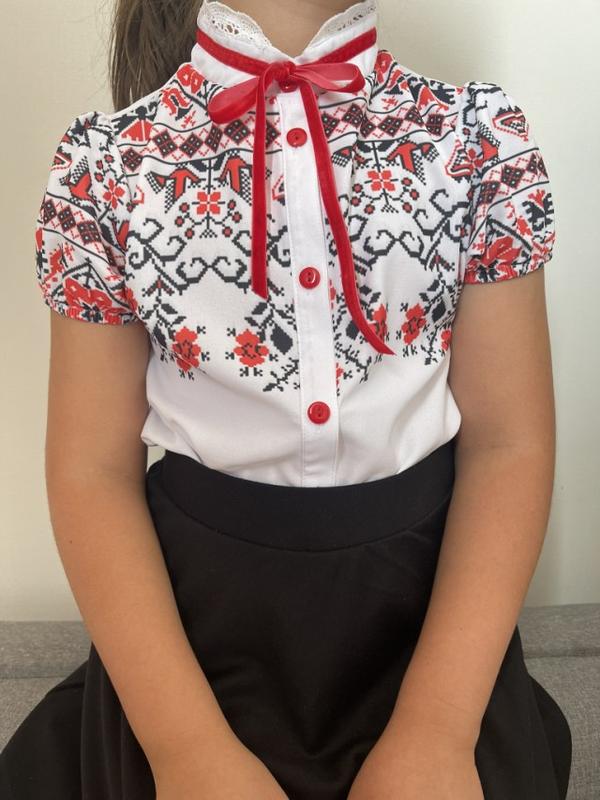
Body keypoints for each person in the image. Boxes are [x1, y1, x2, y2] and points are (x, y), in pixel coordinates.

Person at [0, 0, 573, 798]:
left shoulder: (477, 140)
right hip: (191, 647)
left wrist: (440, 727)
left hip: (432, 635)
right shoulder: (104, 165)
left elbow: (510, 442)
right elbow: (90, 470)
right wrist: (184, 747)